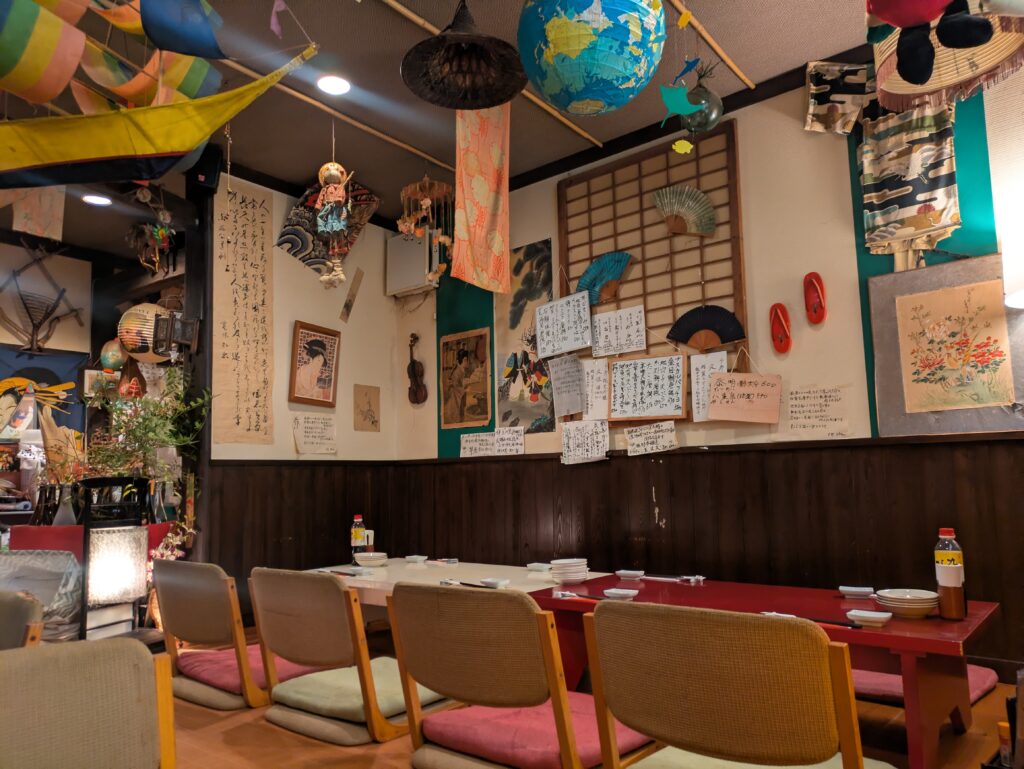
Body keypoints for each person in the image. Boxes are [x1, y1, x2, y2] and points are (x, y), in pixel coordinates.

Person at [444, 348, 471, 424]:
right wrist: (465, 390)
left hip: (459, 397)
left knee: (461, 415)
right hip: (455, 398)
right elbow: (455, 387)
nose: (468, 362)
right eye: (467, 360)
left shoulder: (461, 370)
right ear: (464, 360)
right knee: (457, 417)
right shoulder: (456, 372)